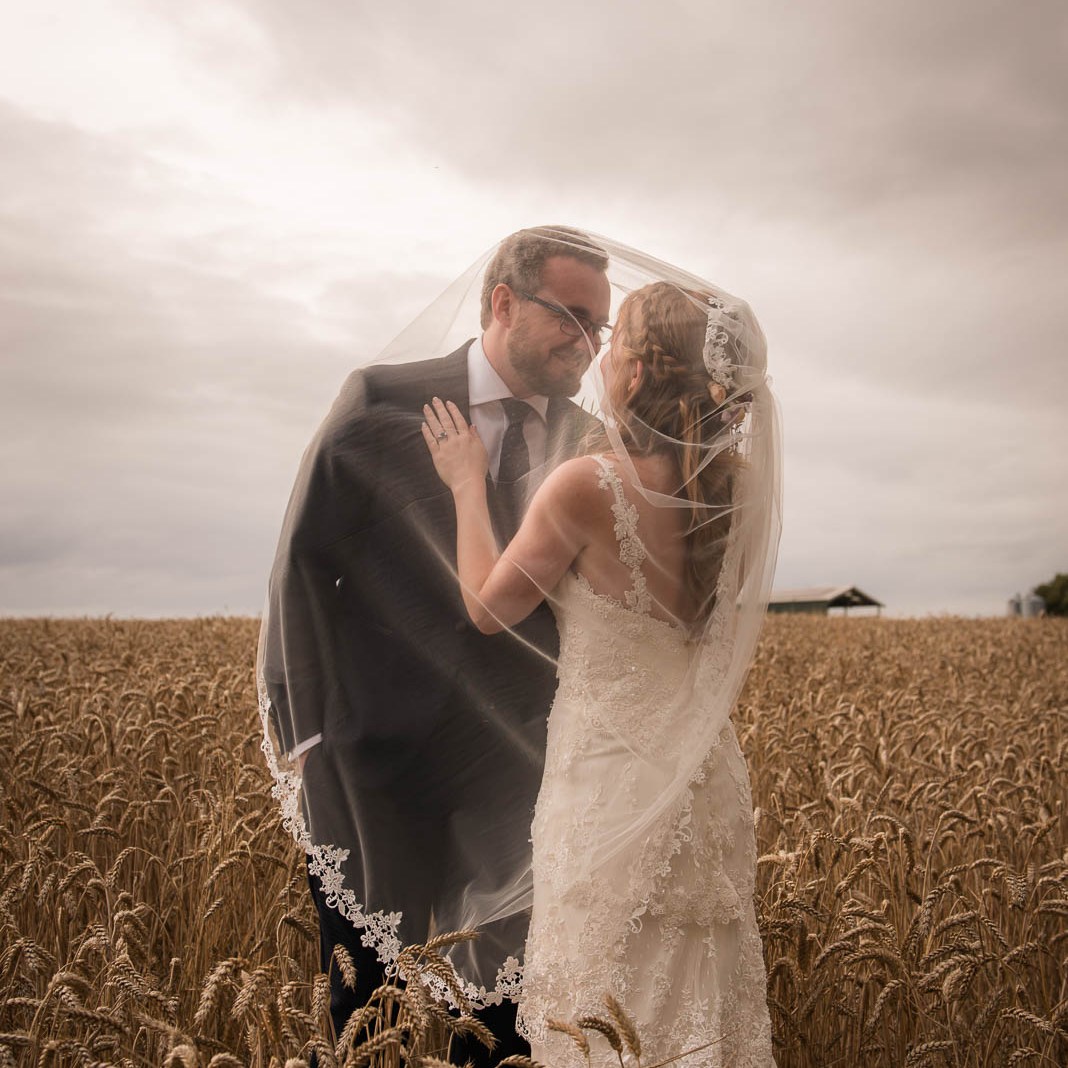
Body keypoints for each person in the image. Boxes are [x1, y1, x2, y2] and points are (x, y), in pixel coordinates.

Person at [257, 226, 611, 1062]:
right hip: (370, 771)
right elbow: (304, 569)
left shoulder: (591, 443)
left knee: (499, 1025)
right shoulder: (381, 399)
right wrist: (303, 737)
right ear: (502, 303)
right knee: (363, 1017)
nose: (588, 343)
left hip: (519, 779)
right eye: (572, 317)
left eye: (600, 327)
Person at [422, 278, 781, 1066]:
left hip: (606, 787)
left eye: (615, 342)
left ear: (642, 371)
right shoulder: (744, 496)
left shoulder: (590, 484)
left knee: (598, 1000)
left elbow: (488, 605)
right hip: (706, 780)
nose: (601, 353)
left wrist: (463, 485)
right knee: (700, 1004)